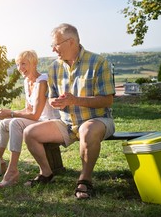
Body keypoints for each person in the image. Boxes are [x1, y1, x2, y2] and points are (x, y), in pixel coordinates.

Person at [23, 23, 115, 199]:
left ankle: (85, 180)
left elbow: (107, 100)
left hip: (97, 120)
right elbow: (51, 96)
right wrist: (55, 101)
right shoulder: (54, 68)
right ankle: (46, 173)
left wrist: (75, 100)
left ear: (71, 42)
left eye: (56, 44)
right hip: (66, 123)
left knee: (87, 130)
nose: (53, 49)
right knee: (30, 132)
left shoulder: (99, 63)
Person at [0, 50, 60, 188]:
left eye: (23, 64)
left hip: (47, 121)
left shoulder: (42, 81)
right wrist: (8, 113)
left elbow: (35, 115)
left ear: (34, 63)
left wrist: (11, 113)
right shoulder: (27, 81)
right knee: (4, 123)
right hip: (37, 119)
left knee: (15, 122)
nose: (20, 68)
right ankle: (0, 162)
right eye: (17, 64)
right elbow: (27, 109)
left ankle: (12, 170)